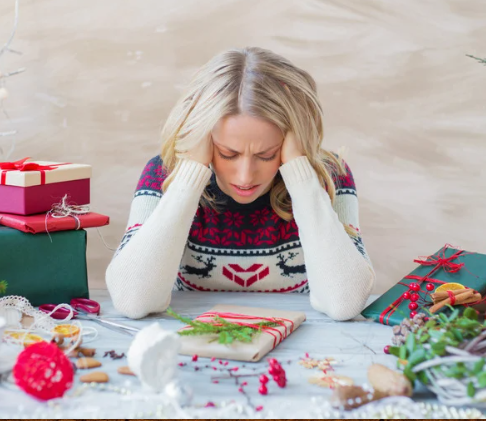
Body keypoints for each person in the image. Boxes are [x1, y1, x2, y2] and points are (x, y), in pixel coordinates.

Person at [106, 47, 375, 320]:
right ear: (204, 138)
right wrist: (189, 176)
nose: (245, 176)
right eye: (228, 154)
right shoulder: (163, 174)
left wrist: (300, 173)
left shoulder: (330, 176)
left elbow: (344, 302)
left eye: (266, 155)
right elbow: (133, 299)